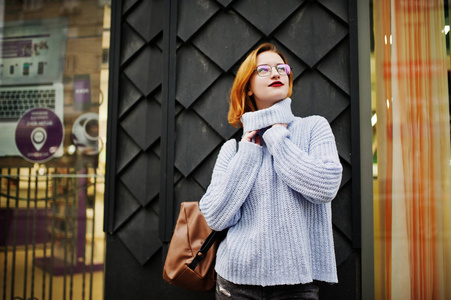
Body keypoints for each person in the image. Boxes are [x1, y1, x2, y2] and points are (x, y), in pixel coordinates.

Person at [199, 43, 343, 300]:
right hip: (234, 284)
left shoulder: (314, 128)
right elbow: (216, 217)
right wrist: (247, 155)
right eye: (263, 70)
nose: (276, 73)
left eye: (281, 68)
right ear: (248, 87)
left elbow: (325, 187)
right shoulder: (233, 150)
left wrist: (276, 135)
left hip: (297, 285)